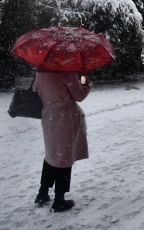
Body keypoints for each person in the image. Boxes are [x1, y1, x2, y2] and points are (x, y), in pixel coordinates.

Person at [33, 72, 92, 213]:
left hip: (48, 116)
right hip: (65, 117)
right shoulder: (66, 74)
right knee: (64, 157)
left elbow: (37, 91)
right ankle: (59, 200)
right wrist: (86, 83)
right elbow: (79, 96)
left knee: (51, 154)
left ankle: (42, 193)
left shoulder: (40, 72)